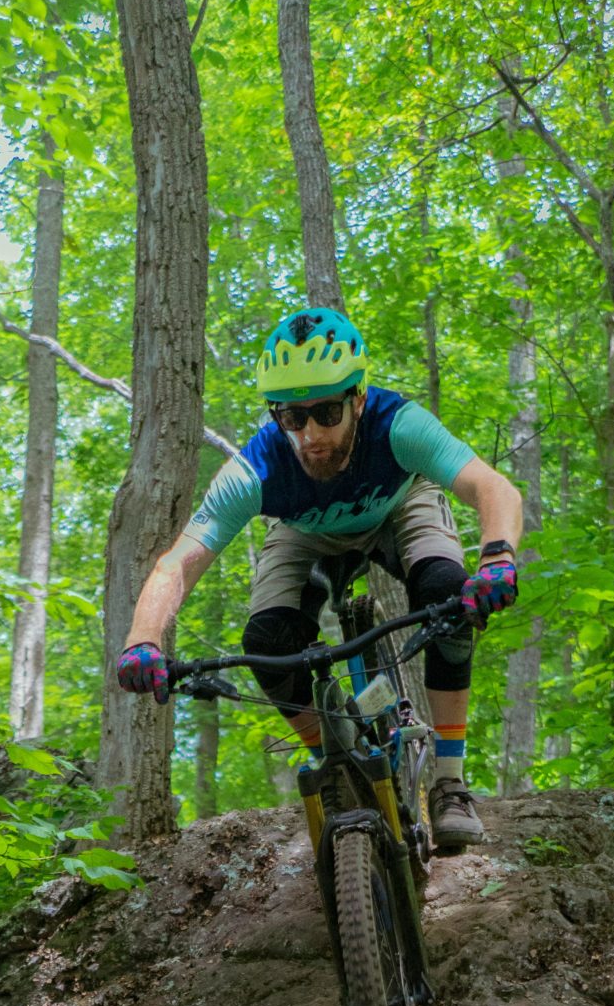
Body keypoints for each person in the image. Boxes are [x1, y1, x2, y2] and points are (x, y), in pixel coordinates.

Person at [114, 306, 523, 853]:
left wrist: (497, 558)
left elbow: (494, 488)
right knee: (266, 645)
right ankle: (336, 768)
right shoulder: (256, 469)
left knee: (447, 596)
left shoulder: (398, 425)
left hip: (400, 506)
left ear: (357, 398)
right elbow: (178, 562)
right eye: (292, 418)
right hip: (305, 530)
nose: (310, 435)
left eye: (328, 412)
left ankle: (449, 783)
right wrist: (143, 640)